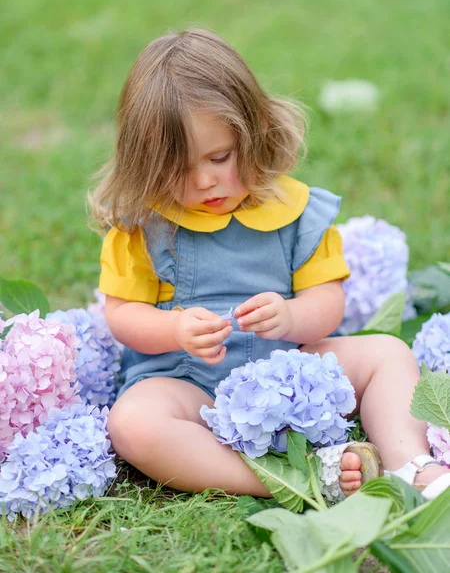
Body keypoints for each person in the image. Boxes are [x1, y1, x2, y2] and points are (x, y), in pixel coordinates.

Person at [90, 28, 450, 501]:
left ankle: (411, 466)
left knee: (387, 353)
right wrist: (174, 331)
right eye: (177, 168)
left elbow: (328, 301)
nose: (205, 181)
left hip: (291, 373)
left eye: (220, 157)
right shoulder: (144, 226)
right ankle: (293, 480)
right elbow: (121, 314)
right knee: (132, 423)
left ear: (255, 133)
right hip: (188, 384)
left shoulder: (297, 212)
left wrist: (293, 316)